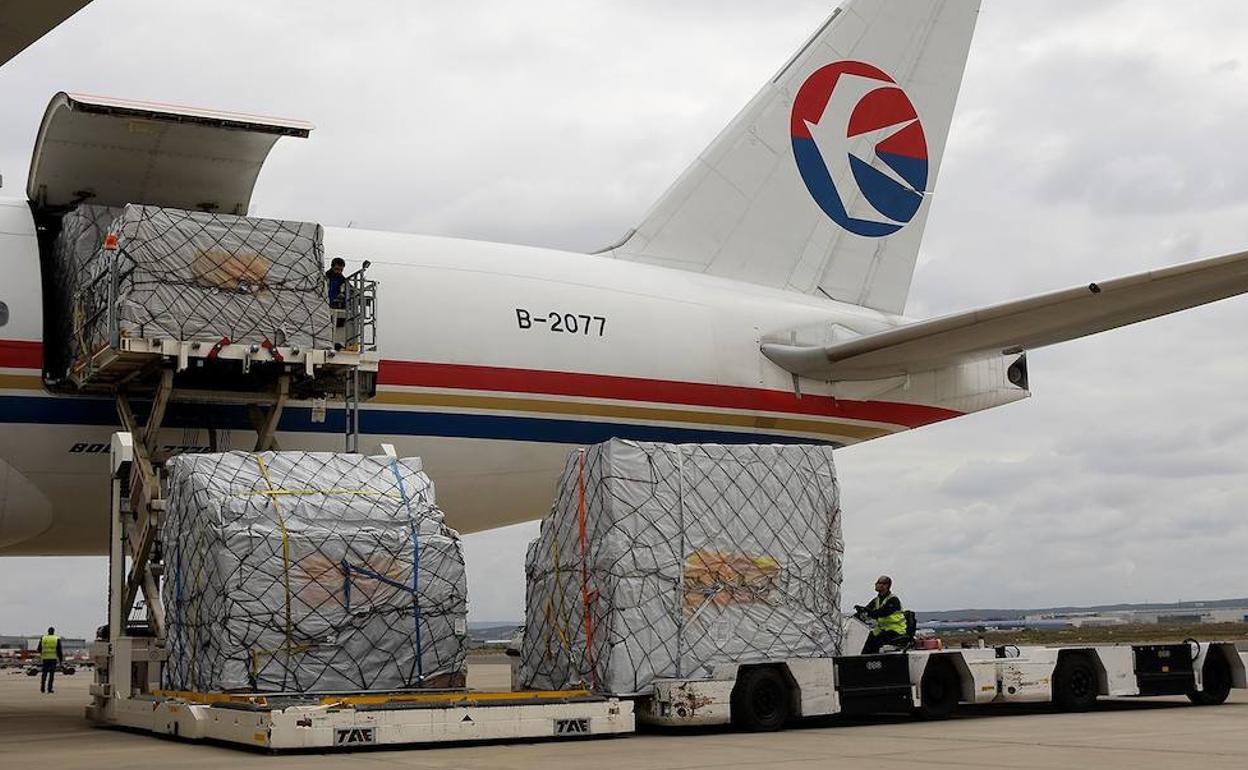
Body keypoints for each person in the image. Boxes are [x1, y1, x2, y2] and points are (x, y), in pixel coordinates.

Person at [855, 575, 907, 654]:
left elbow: (881, 613)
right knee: (864, 639)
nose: (876, 584)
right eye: (877, 583)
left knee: (875, 642)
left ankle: (874, 661)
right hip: (883, 630)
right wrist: (860, 611)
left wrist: (867, 612)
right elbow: (868, 609)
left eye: (879, 583)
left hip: (895, 631)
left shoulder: (893, 600)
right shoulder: (877, 600)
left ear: (886, 585)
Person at [39, 626, 63, 694]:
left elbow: (39, 649)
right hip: (53, 659)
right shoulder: (56, 639)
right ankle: (49, 689)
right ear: (53, 632)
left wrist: (43, 654)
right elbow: (59, 650)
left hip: (45, 658)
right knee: (51, 675)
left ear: (48, 632)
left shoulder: (43, 638)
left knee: (44, 673)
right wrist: (61, 660)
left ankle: (42, 688)